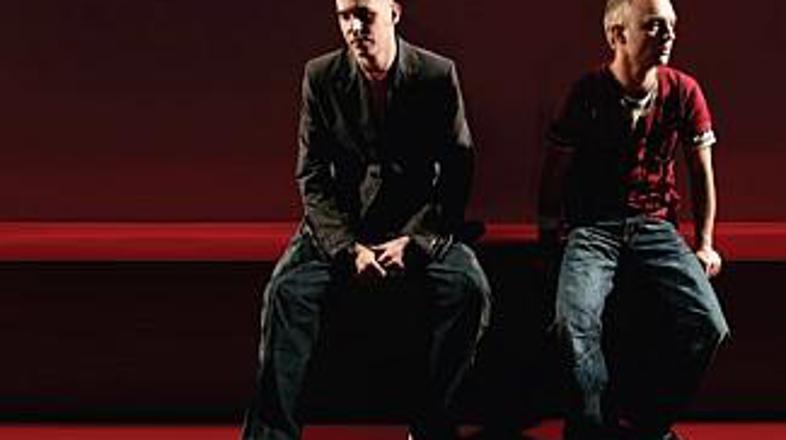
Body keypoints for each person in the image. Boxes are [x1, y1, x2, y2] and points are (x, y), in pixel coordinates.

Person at [241, 1, 491, 439]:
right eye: (345, 16)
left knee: (468, 289)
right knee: (284, 292)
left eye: (365, 14)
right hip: (342, 224)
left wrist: (415, 241)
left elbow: (457, 171)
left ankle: (431, 429)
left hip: (416, 222)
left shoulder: (436, 75)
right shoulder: (320, 75)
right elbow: (312, 176)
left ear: (394, 12)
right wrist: (345, 247)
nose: (354, 26)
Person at [538, 0, 730, 438]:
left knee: (708, 325)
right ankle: (592, 426)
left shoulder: (683, 90)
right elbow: (554, 172)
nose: (669, 35)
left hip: (654, 225)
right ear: (617, 34)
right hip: (592, 228)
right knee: (572, 325)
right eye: (655, 26)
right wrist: (548, 238)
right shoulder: (586, 92)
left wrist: (705, 243)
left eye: (672, 26)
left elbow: (702, 172)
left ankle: (649, 423)